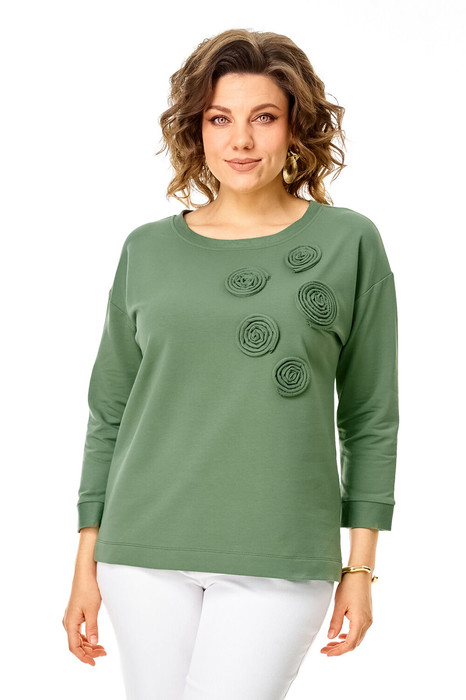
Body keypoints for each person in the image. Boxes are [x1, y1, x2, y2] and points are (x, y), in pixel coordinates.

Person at [63, 28, 399, 700]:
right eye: (220, 118)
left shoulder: (349, 241)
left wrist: (360, 569)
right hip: (142, 550)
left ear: (296, 127)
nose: (241, 141)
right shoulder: (146, 250)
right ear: (197, 128)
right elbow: (109, 412)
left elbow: (370, 417)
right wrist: (85, 562)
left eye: (263, 117)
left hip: (280, 551)